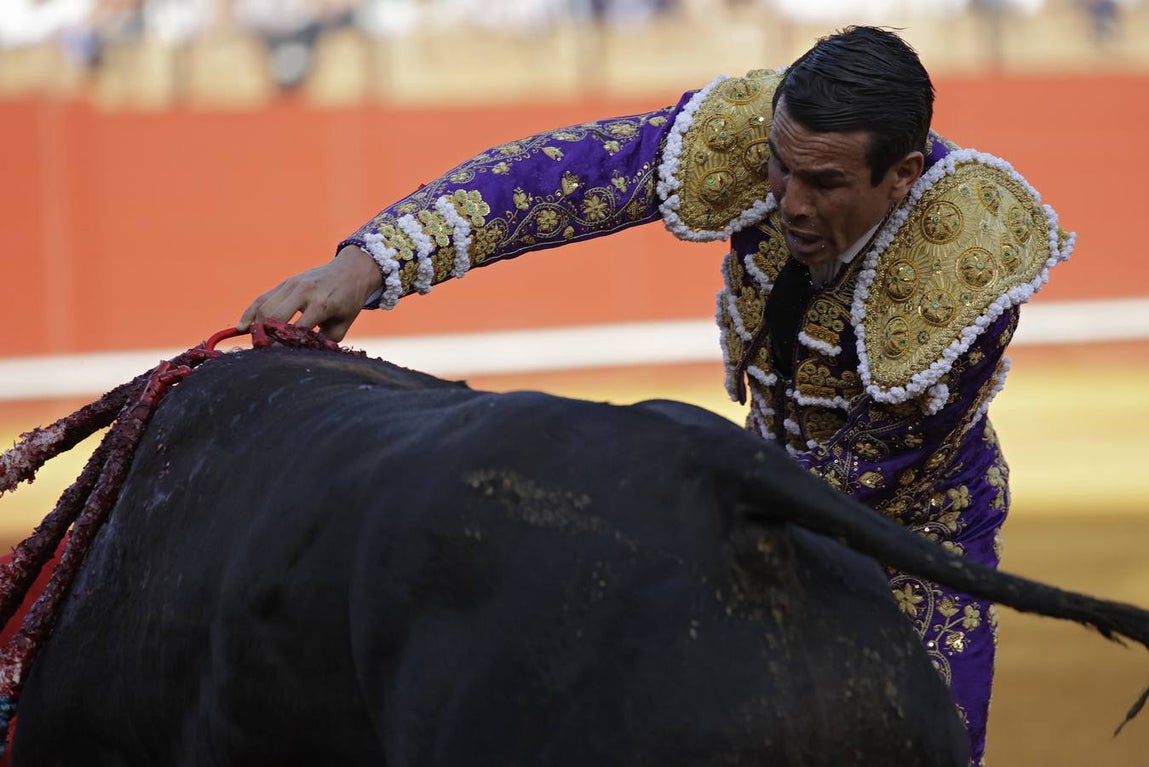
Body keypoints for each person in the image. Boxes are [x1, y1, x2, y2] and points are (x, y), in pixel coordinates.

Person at [239, 26, 1073, 765]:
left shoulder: (963, 263)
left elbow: (853, 483)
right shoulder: (753, 134)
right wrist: (369, 264)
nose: (787, 201)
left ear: (903, 176)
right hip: (767, 481)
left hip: (914, 537)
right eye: (781, 168)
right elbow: (557, 180)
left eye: (823, 183)